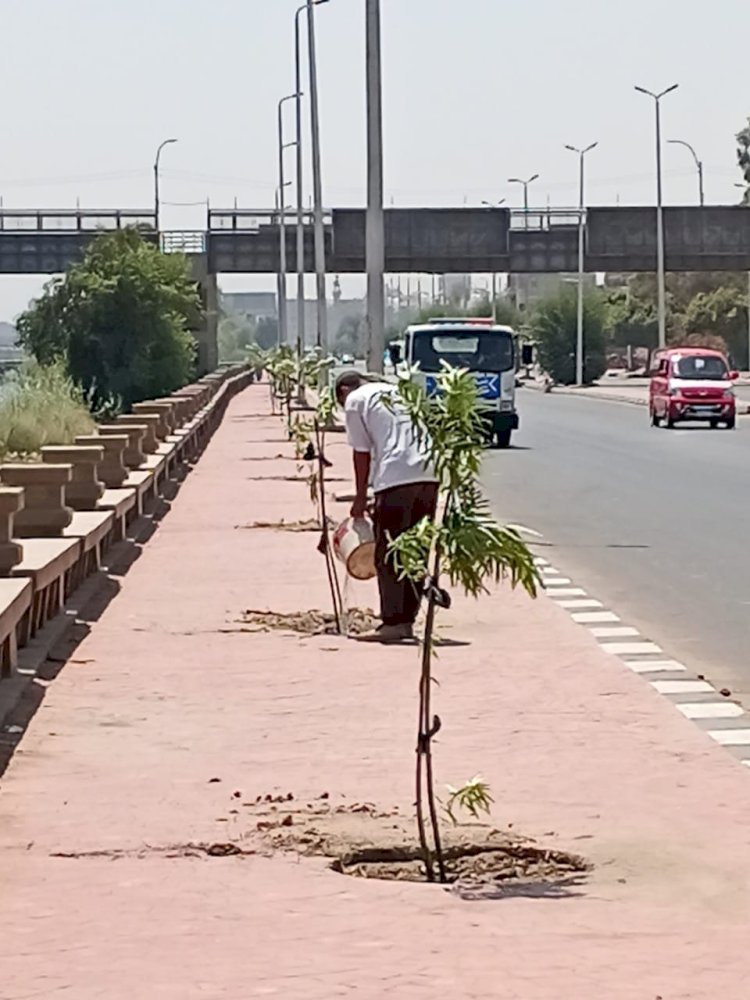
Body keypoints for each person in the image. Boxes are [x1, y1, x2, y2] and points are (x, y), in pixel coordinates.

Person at [335, 370, 439, 644]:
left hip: (397, 475)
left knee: (389, 551)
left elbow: (362, 453)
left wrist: (360, 498)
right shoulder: (396, 391)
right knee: (415, 548)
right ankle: (407, 618)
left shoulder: (355, 400)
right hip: (430, 473)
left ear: (344, 391)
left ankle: (393, 621)